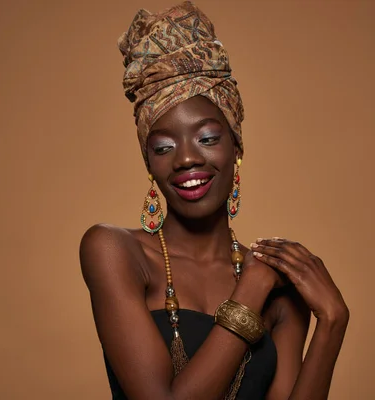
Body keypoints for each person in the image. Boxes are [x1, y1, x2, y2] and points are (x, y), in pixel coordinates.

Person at [80, 2, 349, 399]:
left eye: (207, 138)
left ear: (236, 147)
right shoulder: (114, 251)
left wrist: (333, 323)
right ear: (148, 162)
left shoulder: (283, 291)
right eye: (163, 146)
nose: (187, 157)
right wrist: (251, 288)